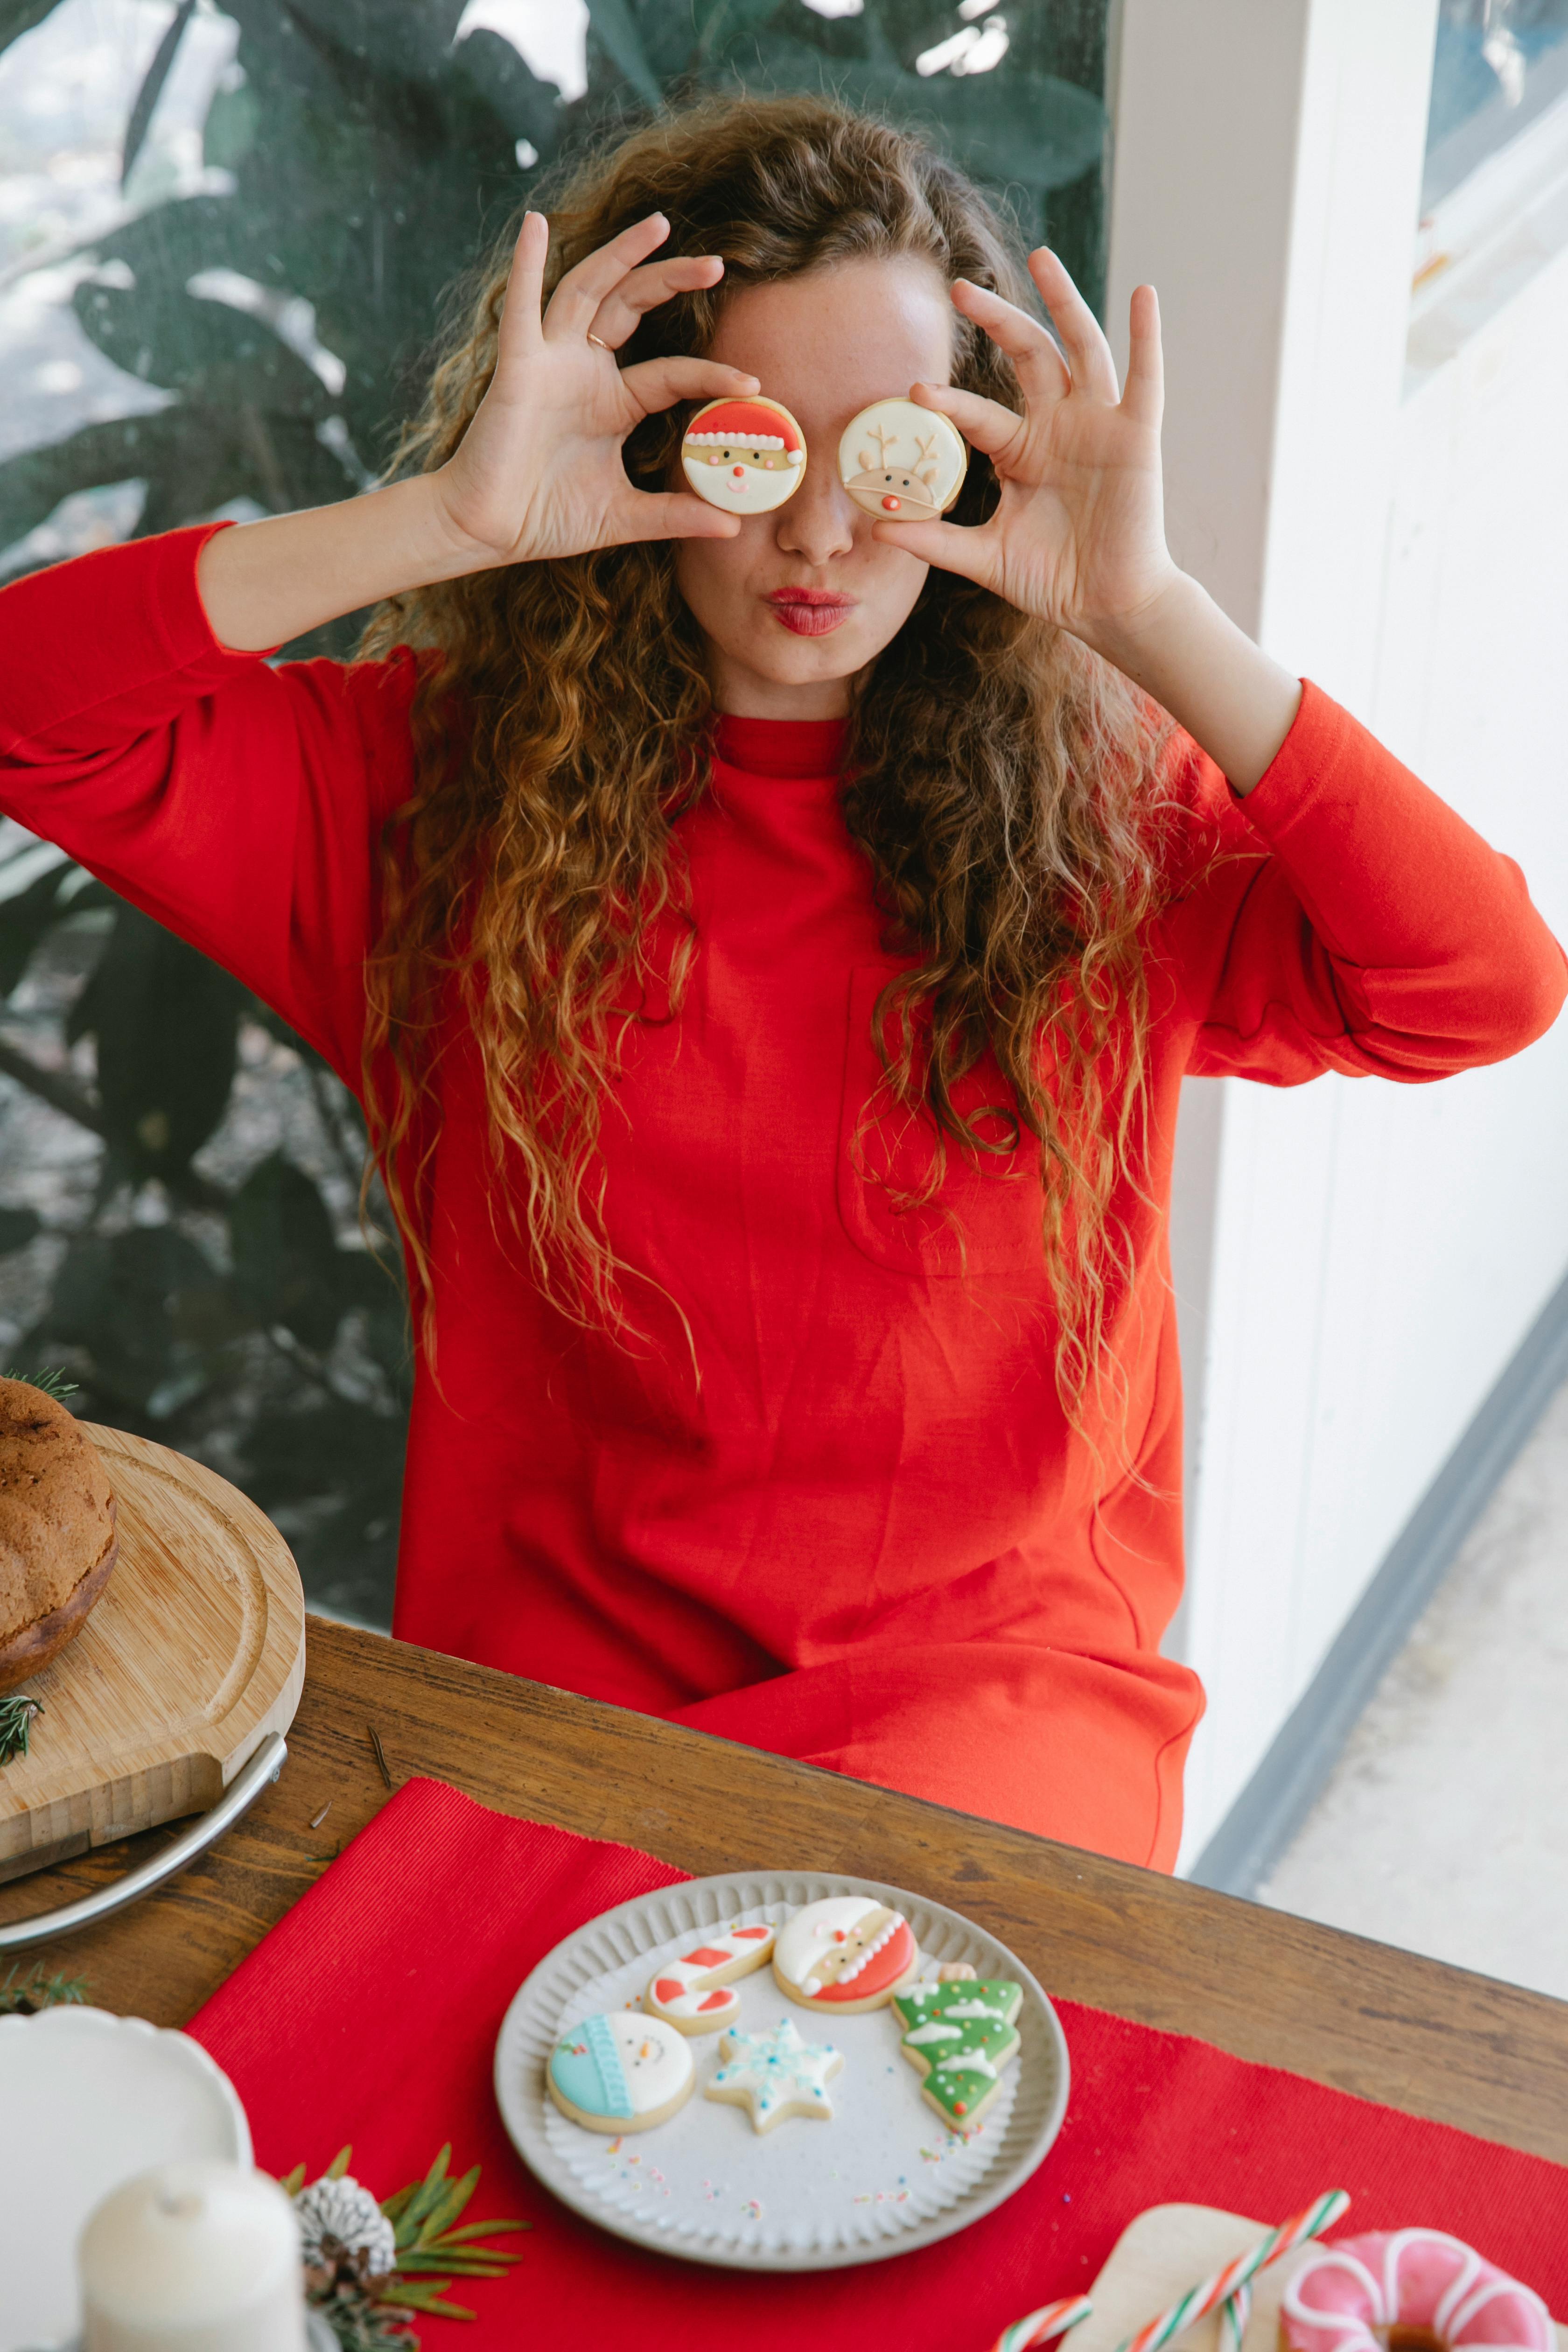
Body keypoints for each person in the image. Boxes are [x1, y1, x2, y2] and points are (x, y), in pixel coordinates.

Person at [0, 97, 1561, 1869]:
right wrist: (449, 520)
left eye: (886, 454)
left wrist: (1147, 609)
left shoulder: (1110, 832)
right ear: (660, 442)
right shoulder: (421, 801)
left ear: (967, 460)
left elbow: (1485, 988)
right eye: (756, 446)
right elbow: (21, 708)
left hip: (991, 1710)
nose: (820, 530)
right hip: (552, 1716)